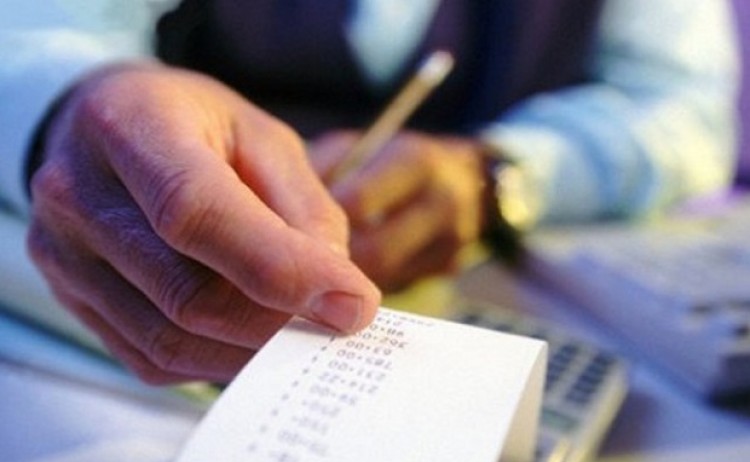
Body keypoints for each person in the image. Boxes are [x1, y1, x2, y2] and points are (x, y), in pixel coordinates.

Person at [0, 0, 740, 384]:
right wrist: (74, 104)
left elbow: (684, 105)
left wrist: (495, 175)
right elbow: (41, 30)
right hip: (119, 361)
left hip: (479, 306)